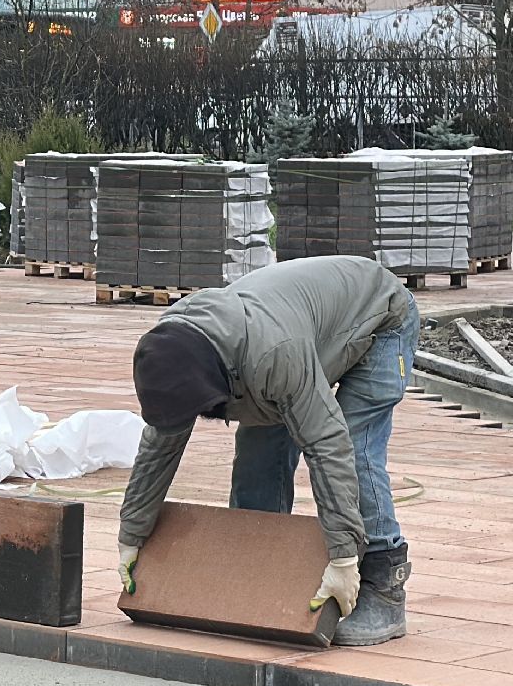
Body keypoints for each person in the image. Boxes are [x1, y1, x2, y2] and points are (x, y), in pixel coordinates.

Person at [115, 255, 420, 646]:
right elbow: (161, 444)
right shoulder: (174, 348)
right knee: (259, 451)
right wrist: (132, 534)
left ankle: (383, 581)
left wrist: (344, 558)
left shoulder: (274, 355)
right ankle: (256, 568)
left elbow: (328, 446)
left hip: (379, 318)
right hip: (295, 336)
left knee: (355, 447)